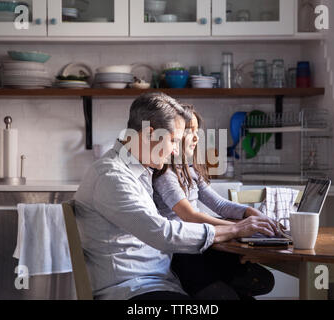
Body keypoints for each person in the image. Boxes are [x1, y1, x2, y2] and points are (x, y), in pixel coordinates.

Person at [74, 92, 279, 300]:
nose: (175, 151)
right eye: (173, 141)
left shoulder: (142, 171)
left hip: (162, 281)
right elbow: (162, 233)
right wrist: (235, 229)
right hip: (132, 290)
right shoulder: (112, 176)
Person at [152, 104, 275, 299]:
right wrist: (241, 228)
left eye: (196, 131)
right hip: (181, 255)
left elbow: (221, 205)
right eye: (189, 131)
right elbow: (189, 216)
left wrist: (251, 214)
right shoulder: (165, 174)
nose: (196, 137)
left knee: (265, 281)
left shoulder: (190, 170)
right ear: (172, 136)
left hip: (199, 247)